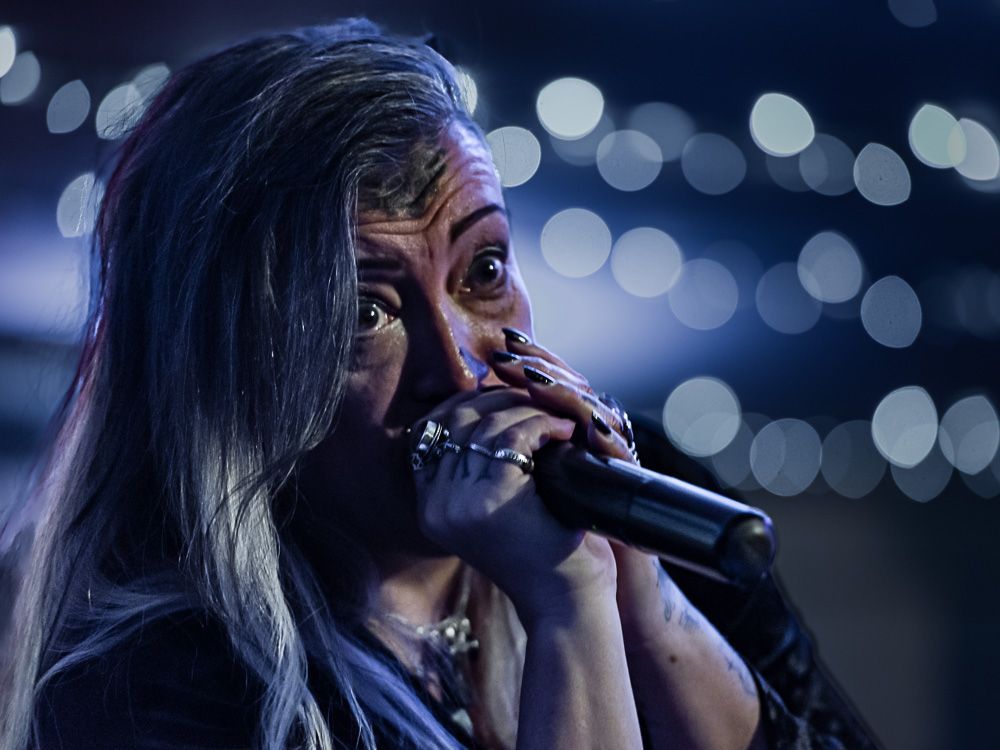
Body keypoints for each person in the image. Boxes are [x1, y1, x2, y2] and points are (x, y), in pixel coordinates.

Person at [0, 18, 880, 750]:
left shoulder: (636, 478)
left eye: (484, 269)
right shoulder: (148, 687)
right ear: (225, 373)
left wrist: (637, 596)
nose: (457, 368)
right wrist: (571, 615)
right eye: (362, 312)